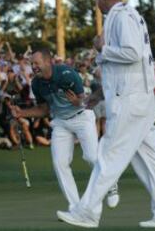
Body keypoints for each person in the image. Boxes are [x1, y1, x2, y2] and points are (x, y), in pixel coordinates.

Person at [57, 0, 155, 228]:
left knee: (108, 154)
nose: (96, 1)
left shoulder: (122, 16)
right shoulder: (127, 15)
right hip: (137, 98)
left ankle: (87, 212)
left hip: (129, 100)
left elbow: (132, 53)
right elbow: (121, 68)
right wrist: (96, 96)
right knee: (148, 157)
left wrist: (104, 48)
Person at [10, 48, 119, 213]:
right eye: (32, 64)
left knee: (91, 157)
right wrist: (21, 113)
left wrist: (78, 102)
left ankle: (111, 183)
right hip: (61, 122)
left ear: (48, 62)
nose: (34, 67)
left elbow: (86, 101)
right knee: (60, 164)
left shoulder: (67, 74)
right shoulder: (36, 83)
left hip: (82, 117)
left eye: (37, 63)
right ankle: (76, 207)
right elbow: (44, 109)